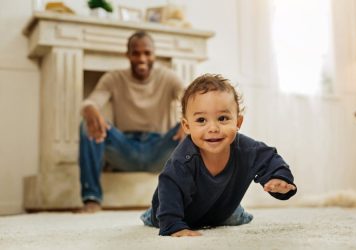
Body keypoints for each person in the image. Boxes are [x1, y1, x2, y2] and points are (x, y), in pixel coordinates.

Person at [140, 74, 297, 236]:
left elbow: (269, 158)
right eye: (201, 120)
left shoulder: (247, 150)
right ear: (187, 126)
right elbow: (169, 186)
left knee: (232, 216)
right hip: (179, 209)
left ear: (237, 123)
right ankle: (151, 214)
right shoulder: (183, 160)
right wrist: (173, 225)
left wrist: (279, 178)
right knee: (160, 214)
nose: (213, 128)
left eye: (222, 118)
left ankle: (234, 213)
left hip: (221, 209)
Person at [79, 31, 185, 213]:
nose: (142, 58)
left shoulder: (169, 77)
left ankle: (193, 198)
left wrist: (188, 120)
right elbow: (92, 101)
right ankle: (92, 198)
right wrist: (89, 109)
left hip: (159, 150)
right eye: (136, 53)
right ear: (127, 55)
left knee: (195, 125)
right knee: (88, 125)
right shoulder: (113, 78)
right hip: (125, 149)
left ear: (154, 55)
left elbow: (189, 99)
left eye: (147, 53)